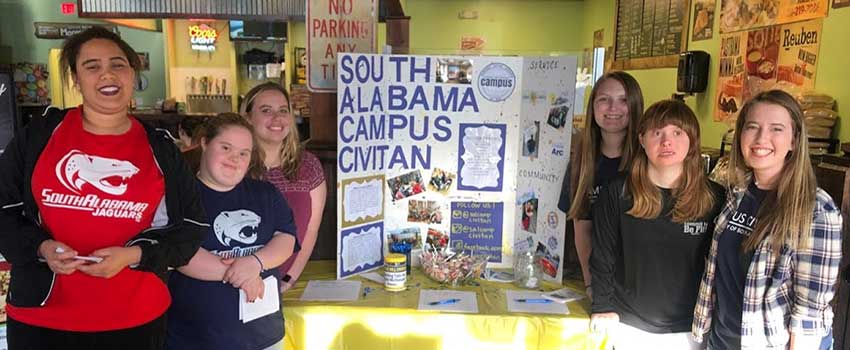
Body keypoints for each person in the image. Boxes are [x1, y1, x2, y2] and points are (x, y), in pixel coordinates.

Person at [0, 26, 206, 350]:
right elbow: (4, 211)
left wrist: (135, 255)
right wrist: (41, 248)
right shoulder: (38, 136)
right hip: (42, 319)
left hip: (136, 319)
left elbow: (191, 229)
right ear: (76, 79)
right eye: (91, 66)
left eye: (117, 64)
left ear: (132, 73)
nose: (107, 75)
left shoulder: (161, 149)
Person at [692, 90, 842, 350]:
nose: (762, 138)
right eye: (753, 127)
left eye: (776, 129)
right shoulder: (737, 192)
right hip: (720, 341)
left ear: (794, 140)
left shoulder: (816, 209)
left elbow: (808, 316)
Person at [590, 100, 724, 349]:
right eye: (657, 132)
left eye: (677, 132)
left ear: (692, 140)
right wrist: (603, 307)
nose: (666, 142)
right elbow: (602, 256)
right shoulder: (618, 192)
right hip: (628, 325)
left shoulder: (715, 198)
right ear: (641, 139)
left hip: (690, 329)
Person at [166, 113, 299, 350]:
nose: (234, 159)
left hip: (265, 335)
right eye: (225, 147)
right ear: (205, 143)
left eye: (243, 153)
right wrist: (243, 274)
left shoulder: (266, 194)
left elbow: (286, 239)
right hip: (198, 338)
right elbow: (180, 253)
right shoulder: (180, 196)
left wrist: (255, 263)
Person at [558, 71, 644, 299]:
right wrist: (590, 284)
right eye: (604, 99)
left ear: (635, 105)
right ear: (593, 107)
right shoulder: (581, 162)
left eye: (623, 100)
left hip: (639, 286)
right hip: (599, 281)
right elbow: (583, 232)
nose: (612, 108)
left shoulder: (647, 161)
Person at [240, 82, 326, 292]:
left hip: (286, 281)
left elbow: (310, 230)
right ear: (248, 117)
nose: (277, 119)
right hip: (239, 280)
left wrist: (289, 278)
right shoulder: (234, 165)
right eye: (266, 111)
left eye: (283, 111)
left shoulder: (309, 166)